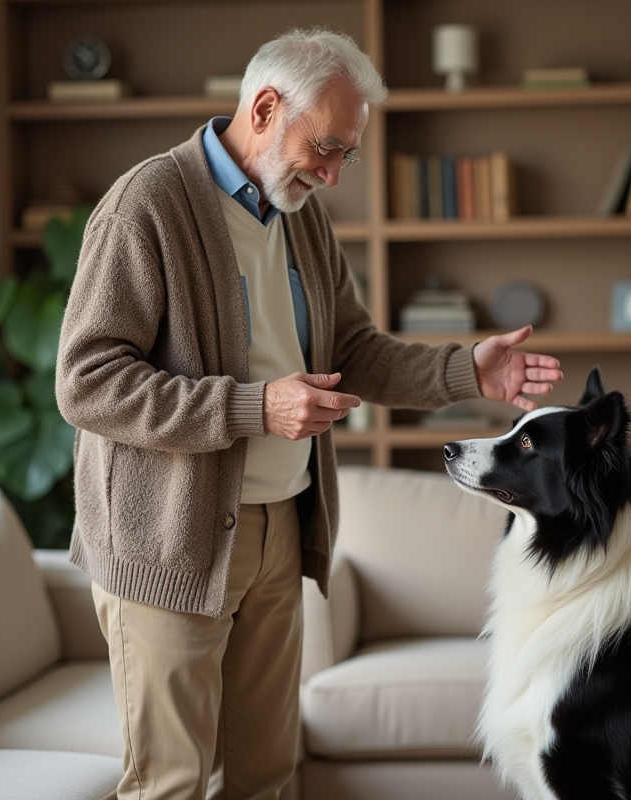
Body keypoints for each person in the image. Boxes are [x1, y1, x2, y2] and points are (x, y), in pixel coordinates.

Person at [56, 27, 563, 800]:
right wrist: (256, 407)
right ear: (264, 108)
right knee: (171, 783)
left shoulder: (299, 213)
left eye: (345, 155)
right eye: (325, 147)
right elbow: (86, 383)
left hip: (278, 529)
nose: (332, 173)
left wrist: (467, 370)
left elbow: (350, 347)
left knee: (265, 776)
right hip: (168, 539)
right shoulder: (147, 204)